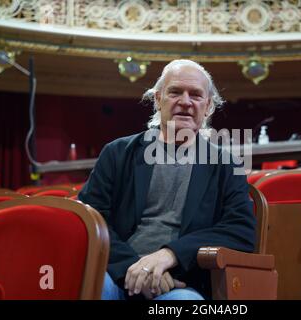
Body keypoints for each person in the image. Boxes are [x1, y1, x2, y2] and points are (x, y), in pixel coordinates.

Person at [78, 59, 255, 300]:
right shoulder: (117, 153)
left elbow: (240, 231)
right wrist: (135, 268)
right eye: (175, 92)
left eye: (195, 94)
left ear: (208, 106)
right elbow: (92, 220)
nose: (185, 101)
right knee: (85, 287)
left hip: (181, 283)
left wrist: (169, 256)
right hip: (117, 274)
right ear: (157, 99)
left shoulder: (228, 162)